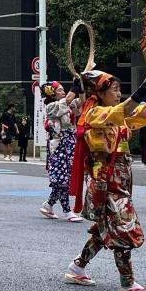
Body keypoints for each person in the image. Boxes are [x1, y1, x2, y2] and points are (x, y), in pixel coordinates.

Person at [63, 72, 146, 291]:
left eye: (119, 90)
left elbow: (143, 113)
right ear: (100, 93)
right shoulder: (94, 113)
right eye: (114, 90)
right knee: (123, 230)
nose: (118, 94)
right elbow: (121, 111)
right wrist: (142, 89)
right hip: (105, 183)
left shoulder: (117, 115)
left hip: (117, 180)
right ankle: (127, 282)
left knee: (104, 232)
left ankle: (77, 268)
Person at [40, 81, 83, 222]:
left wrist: (82, 86)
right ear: (52, 93)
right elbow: (69, 99)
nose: (63, 92)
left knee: (64, 178)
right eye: (59, 90)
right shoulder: (51, 106)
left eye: (63, 90)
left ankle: (48, 205)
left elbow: (81, 101)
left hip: (69, 144)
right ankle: (67, 211)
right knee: (62, 179)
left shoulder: (67, 104)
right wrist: (75, 84)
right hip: (58, 146)